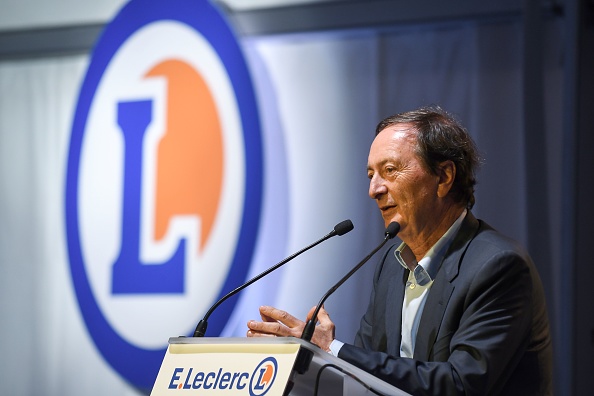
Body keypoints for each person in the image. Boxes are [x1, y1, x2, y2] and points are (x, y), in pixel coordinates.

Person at [246, 105, 553, 395]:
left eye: (390, 170)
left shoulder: (497, 266)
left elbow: (461, 385)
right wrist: (311, 357)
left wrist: (332, 349)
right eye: (370, 175)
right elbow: (367, 376)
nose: (374, 190)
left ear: (444, 177)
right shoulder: (392, 267)